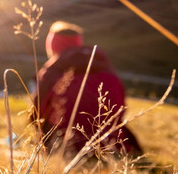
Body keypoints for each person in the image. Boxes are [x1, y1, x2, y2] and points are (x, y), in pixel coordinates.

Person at [30, 21, 142, 156]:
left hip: (66, 144)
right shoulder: (103, 65)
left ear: (53, 46)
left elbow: (36, 113)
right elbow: (121, 106)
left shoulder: (52, 71)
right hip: (110, 142)